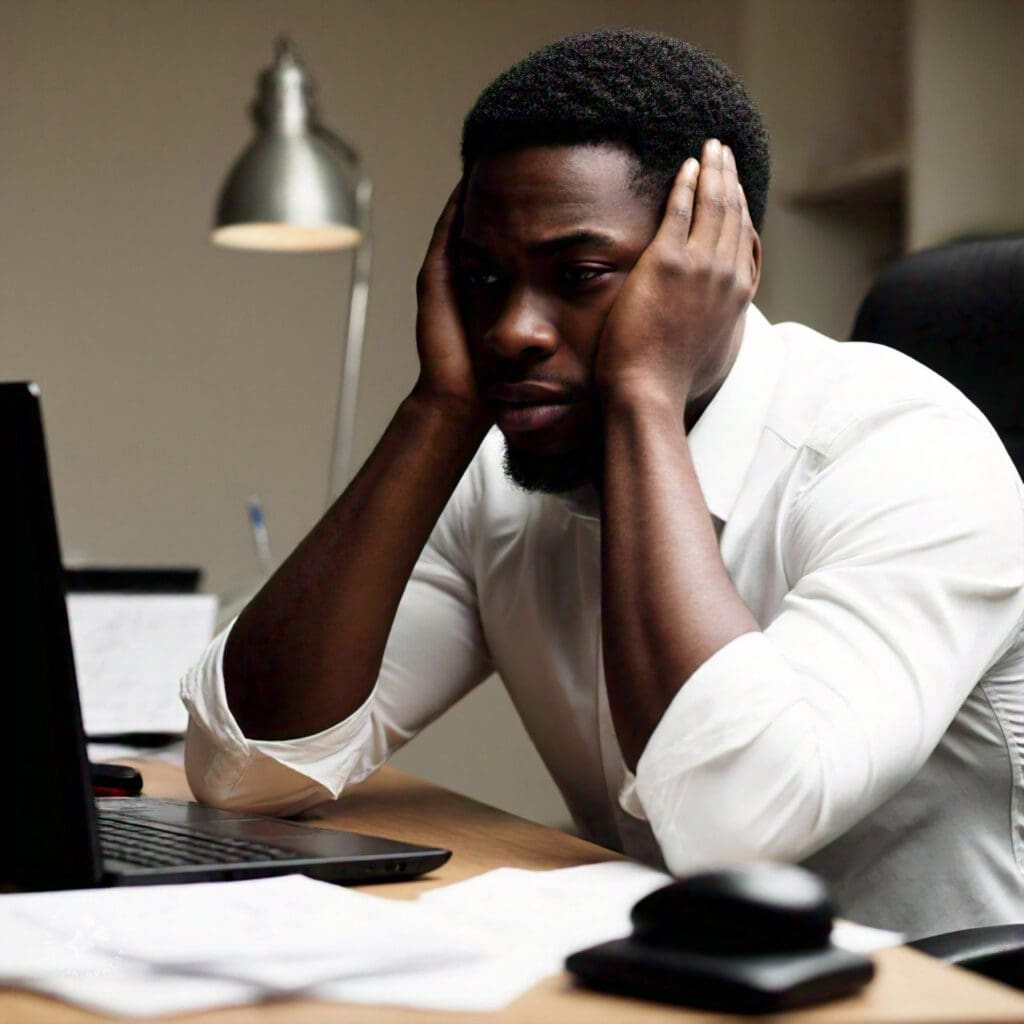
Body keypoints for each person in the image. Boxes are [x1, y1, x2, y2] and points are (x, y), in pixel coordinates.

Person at [183, 29, 1024, 938]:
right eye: (483, 279)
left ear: (718, 267)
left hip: (929, 992)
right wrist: (438, 409)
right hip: (673, 980)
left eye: (579, 275)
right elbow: (247, 770)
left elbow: (738, 826)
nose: (513, 331)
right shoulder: (501, 477)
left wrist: (645, 395)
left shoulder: (903, 452)